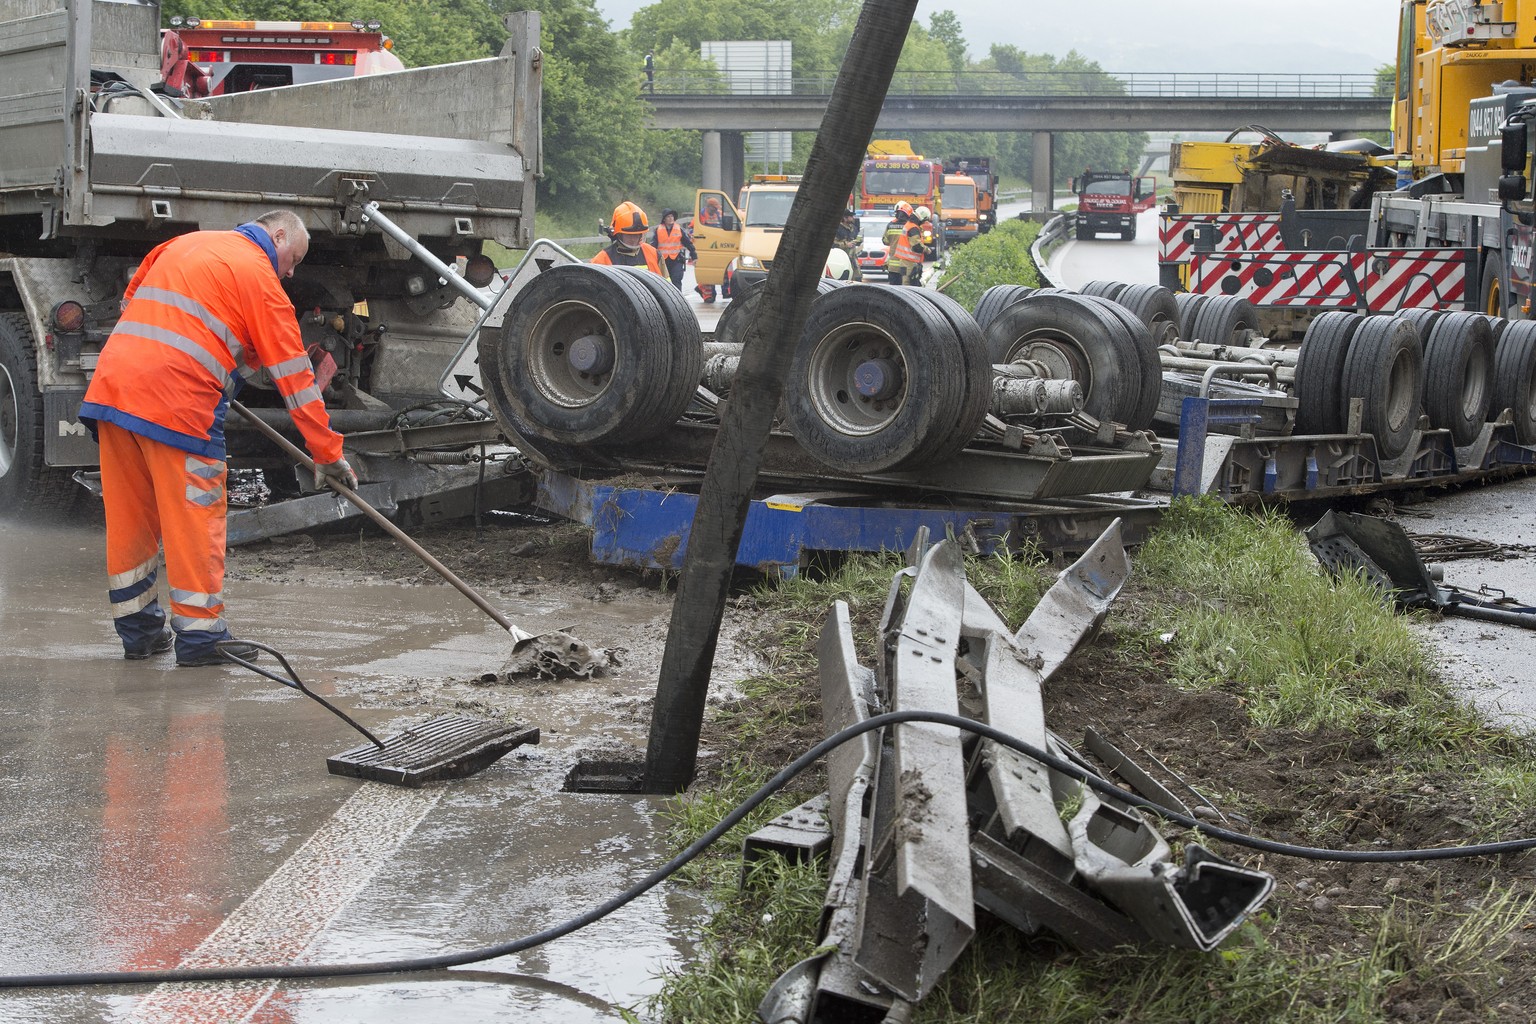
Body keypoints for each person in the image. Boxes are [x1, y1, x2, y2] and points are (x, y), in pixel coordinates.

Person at [78, 210, 356, 667]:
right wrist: (326, 454)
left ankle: (139, 633)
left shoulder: (184, 243)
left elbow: (133, 302)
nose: (291, 271)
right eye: (294, 259)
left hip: (113, 393)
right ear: (278, 233)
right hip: (177, 405)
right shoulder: (261, 280)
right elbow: (296, 380)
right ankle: (201, 639)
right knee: (194, 519)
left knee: (131, 518)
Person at [592, 201, 664, 276]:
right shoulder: (601, 260)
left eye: (637, 235)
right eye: (629, 235)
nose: (633, 239)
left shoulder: (654, 254)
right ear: (618, 234)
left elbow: (667, 285)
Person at [652, 208, 696, 290]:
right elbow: (652, 246)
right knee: (663, 283)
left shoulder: (679, 229)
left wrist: (694, 256)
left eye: (672, 216)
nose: (670, 218)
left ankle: (678, 301)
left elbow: (688, 243)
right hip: (662, 261)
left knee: (676, 280)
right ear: (664, 219)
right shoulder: (658, 230)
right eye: (668, 216)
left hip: (676, 260)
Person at [694, 196, 725, 302]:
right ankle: (707, 295)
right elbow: (693, 230)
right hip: (705, 246)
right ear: (709, 207)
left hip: (718, 246)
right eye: (714, 208)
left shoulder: (719, 214)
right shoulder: (701, 215)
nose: (716, 210)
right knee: (707, 274)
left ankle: (713, 292)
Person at [833, 208, 863, 282]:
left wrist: (858, 241)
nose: (853, 218)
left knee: (857, 276)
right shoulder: (838, 228)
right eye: (851, 216)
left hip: (853, 256)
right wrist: (846, 244)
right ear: (844, 218)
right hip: (841, 257)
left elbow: (855, 237)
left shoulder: (854, 228)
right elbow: (833, 244)